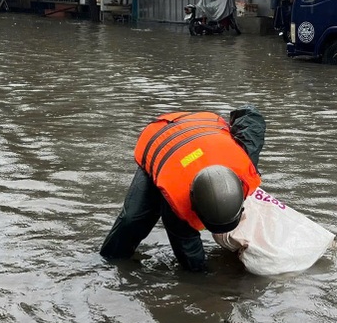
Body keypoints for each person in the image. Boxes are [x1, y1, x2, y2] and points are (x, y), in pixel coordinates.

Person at [100, 106, 266, 273]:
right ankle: (109, 262)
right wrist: (203, 278)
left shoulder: (245, 162)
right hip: (162, 138)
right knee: (133, 220)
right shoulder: (177, 200)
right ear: (193, 204)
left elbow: (251, 117)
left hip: (202, 128)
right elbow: (187, 250)